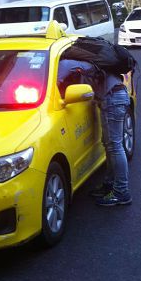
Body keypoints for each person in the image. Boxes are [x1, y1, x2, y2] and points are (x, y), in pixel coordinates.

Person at [58, 57, 132, 206]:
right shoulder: (90, 59)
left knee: (115, 147)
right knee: (110, 146)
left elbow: (59, 77)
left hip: (112, 99)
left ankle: (121, 192)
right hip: (114, 97)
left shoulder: (69, 62)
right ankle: (110, 184)